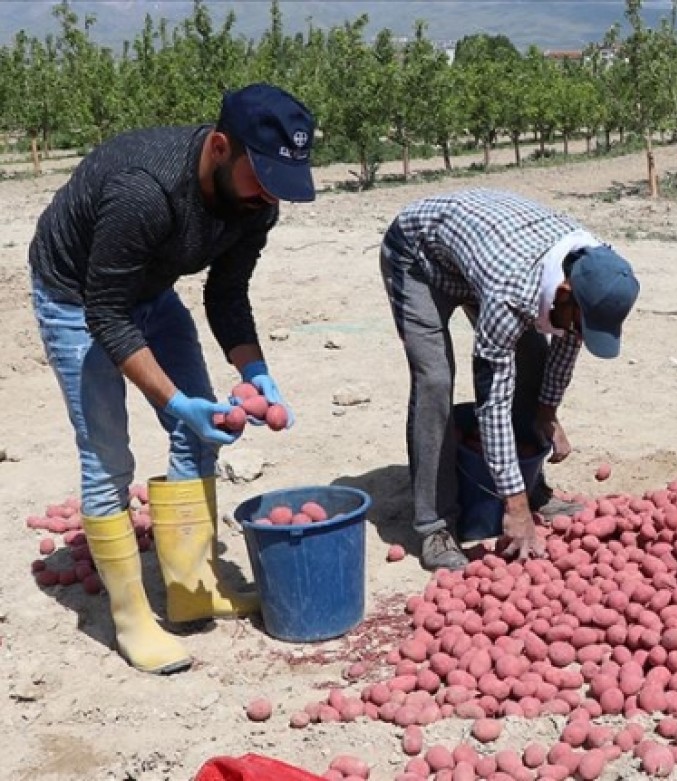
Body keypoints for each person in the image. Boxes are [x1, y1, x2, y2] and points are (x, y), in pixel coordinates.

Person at [28, 83, 317, 674]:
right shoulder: (145, 189)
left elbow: (227, 294)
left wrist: (256, 373)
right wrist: (173, 399)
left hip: (149, 291)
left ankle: (189, 588)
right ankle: (131, 618)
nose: (267, 197)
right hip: (76, 296)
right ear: (218, 148)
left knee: (199, 430)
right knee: (108, 455)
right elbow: (104, 313)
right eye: (259, 178)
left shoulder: (256, 201)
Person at [380, 188, 640, 571]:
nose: (582, 337)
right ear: (565, 293)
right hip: (418, 257)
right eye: (581, 325)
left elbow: (567, 342)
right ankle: (434, 524)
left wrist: (547, 413)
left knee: (533, 356)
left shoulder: (594, 269)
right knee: (434, 380)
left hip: (481, 256)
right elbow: (493, 401)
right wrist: (512, 506)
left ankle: (532, 486)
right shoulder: (510, 293)